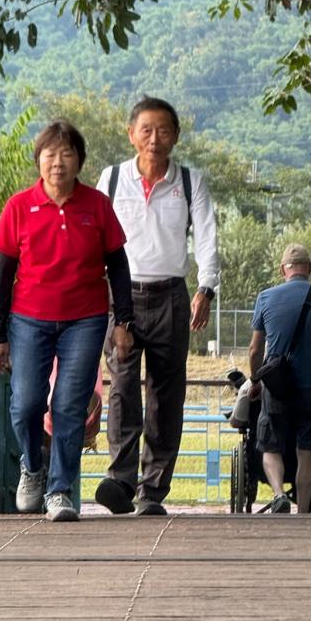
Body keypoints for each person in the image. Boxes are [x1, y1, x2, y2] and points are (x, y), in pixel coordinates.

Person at [0, 120, 135, 522]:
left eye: (67, 154)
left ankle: (59, 490)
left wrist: (123, 320)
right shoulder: (19, 206)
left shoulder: (96, 205)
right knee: (27, 403)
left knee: (69, 406)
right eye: (50, 155)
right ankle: (33, 468)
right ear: (39, 161)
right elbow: (2, 273)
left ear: (79, 161)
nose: (58, 163)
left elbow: (118, 264)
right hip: (28, 319)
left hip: (84, 320)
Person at [94, 96, 220, 516]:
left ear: (176, 136)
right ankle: (121, 480)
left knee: (167, 394)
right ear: (131, 134)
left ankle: (153, 490)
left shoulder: (189, 181)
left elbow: (206, 235)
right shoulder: (111, 180)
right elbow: (95, 238)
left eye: (163, 130)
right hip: (122, 296)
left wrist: (206, 287)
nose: (154, 139)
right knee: (123, 389)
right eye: (145, 130)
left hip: (171, 295)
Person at [248, 244, 311, 513]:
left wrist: (256, 379)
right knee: (308, 451)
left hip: (278, 385)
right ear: (309, 269)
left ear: (283, 270)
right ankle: (303, 511)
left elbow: (255, 349)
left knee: (271, 445)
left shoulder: (265, 297)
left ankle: (278, 494)